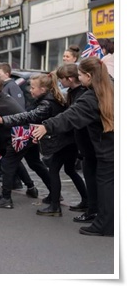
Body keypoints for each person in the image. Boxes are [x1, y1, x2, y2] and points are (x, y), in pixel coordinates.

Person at [33, 57, 114, 237]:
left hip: (107, 151)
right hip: (110, 148)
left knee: (106, 187)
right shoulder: (112, 87)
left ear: (89, 76)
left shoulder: (91, 97)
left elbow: (70, 116)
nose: (79, 78)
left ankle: (105, 225)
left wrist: (47, 126)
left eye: (80, 75)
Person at [0, 72, 86, 216]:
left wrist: (3, 120)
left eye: (33, 87)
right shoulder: (51, 99)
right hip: (63, 140)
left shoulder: (46, 103)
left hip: (60, 141)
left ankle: (50, 204)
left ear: (43, 89)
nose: (30, 90)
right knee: (56, 167)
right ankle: (76, 199)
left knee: (16, 163)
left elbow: (30, 116)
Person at [56, 63, 96, 222]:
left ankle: (92, 210)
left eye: (62, 79)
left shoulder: (84, 94)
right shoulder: (75, 93)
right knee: (80, 172)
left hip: (87, 143)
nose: (60, 82)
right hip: (81, 142)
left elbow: (73, 117)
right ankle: (89, 205)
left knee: (91, 177)